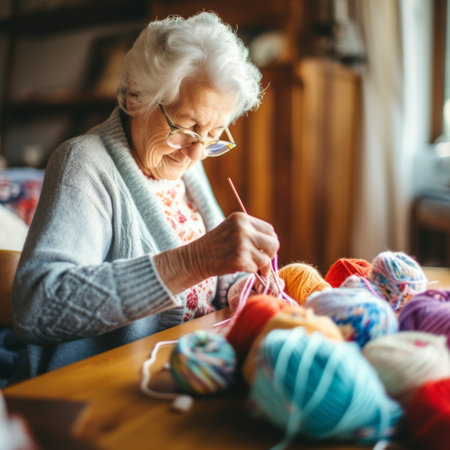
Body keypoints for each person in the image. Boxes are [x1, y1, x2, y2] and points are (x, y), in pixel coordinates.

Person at [11, 11, 282, 380]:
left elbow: (214, 282)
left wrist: (243, 288)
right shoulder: (84, 163)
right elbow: (37, 307)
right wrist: (193, 261)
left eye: (216, 133)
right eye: (186, 127)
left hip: (181, 368)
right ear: (135, 96)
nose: (197, 153)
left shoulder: (185, 161)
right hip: (94, 386)